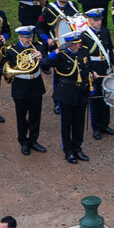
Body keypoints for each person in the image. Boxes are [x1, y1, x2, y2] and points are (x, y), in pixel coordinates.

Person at [42, 31, 94, 164]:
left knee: (79, 122)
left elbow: (87, 67)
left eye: (77, 43)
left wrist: (92, 73)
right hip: (67, 92)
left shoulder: (83, 52)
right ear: (68, 44)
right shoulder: (61, 55)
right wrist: (56, 51)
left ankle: (78, 147)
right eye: (73, 44)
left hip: (81, 91)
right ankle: (68, 150)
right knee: (67, 123)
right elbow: (45, 64)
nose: (77, 46)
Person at [36, 0, 80, 114]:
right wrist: (46, 39)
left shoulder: (73, 6)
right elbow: (39, 27)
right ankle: (58, 101)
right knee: (60, 75)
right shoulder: (49, 10)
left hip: (74, 45)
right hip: (58, 47)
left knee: (76, 70)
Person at [3, 26, 47, 156]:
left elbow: (47, 64)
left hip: (36, 84)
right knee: (21, 116)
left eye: (31, 37)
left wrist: (42, 59)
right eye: (26, 37)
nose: (29, 40)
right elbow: (4, 68)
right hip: (20, 85)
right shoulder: (12, 50)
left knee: (35, 115)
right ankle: (23, 142)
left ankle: (33, 140)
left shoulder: (38, 47)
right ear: (20, 37)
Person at [79, 8, 114, 139]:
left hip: (105, 67)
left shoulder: (105, 31)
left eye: (100, 19)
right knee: (96, 98)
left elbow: (109, 51)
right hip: (94, 68)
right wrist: (91, 71)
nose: (99, 22)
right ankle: (96, 127)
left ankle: (105, 124)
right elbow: (83, 57)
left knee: (106, 96)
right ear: (89, 20)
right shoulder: (84, 36)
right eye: (95, 20)